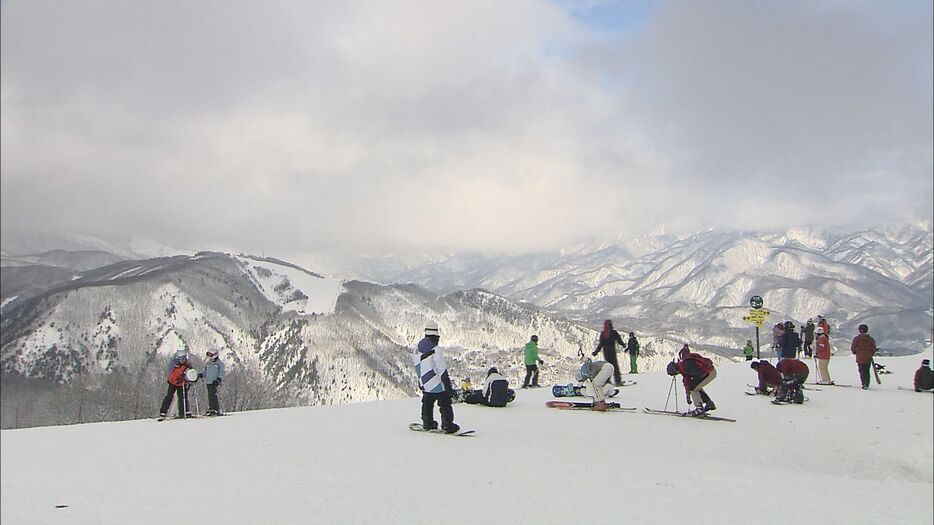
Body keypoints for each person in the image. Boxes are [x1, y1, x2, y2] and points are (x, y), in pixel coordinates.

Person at [413, 320, 459, 433]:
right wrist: (448, 387)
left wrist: (421, 382)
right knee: (445, 403)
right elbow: (442, 370)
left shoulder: (416, 349)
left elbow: (418, 367)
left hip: (425, 383)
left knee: (427, 403)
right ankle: (448, 425)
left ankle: (427, 423)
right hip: (437, 384)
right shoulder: (436, 350)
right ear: (436, 336)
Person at [667, 345, 717, 415]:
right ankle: (709, 404)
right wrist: (688, 395)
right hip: (710, 371)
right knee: (696, 387)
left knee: (693, 388)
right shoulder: (682, 366)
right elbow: (686, 380)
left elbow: (697, 373)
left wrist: (691, 388)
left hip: (708, 373)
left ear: (675, 371)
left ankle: (699, 409)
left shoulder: (685, 365)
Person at [158, 350, 194, 419]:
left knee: (183, 398)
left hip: (182, 384)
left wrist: (190, 381)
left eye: (184, 359)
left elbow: (191, 374)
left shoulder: (187, 366)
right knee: (169, 397)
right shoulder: (174, 365)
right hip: (173, 383)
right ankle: (163, 412)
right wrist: (170, 379)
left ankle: (184, 412)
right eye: (181, 359)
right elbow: (171, 373)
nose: (182, 360)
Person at [593, 320, 625, 386]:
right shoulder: (614, 332)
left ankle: (607, 381)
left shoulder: (603, 334)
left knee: (608, 368)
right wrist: (623, 345)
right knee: (615, 367)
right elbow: (619, 340)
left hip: (606, 353)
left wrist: (596, 352)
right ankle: (618, 381)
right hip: (612, 353)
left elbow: (600, 344)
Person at [850, 324, 877, 390]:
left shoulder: (856, 339)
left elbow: (853, 348)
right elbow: (873, 348)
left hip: (860, 358)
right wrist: (871, 354)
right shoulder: (871, 339)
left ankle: (864, 383)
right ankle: (867, 383)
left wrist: (856, 352)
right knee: (867, 371)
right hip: (868, 358)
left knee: (862, 371)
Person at [201, 349, 226, 416]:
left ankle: (215, 409)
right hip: (208, 381)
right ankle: (211, 408)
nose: (209, 357)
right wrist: (201, 374)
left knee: (213, 395)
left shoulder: (219, 364)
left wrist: (219, 379)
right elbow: (205, 371)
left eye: (210, 355)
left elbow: (222, 372)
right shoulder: (208, 363)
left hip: (214, 382)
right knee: (210, 395)